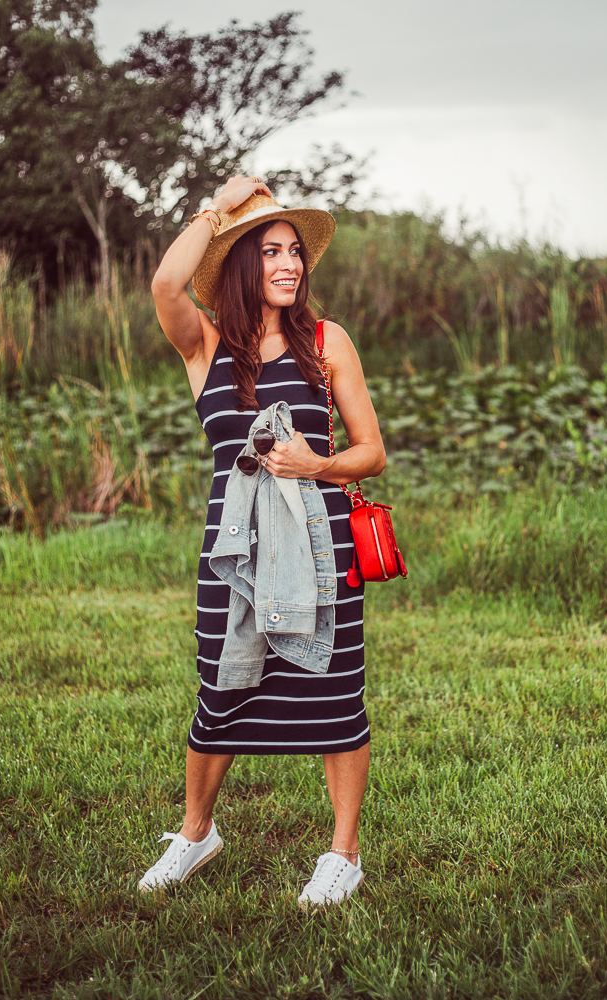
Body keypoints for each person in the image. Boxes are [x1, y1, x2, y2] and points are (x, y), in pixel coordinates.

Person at [141, 175, 385, 907]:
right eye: (271, 252)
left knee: (335, 694)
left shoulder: (325, 339)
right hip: (232, 549)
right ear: (243, 264)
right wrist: (218, 207)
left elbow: (371, 451)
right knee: (220, 689)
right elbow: (164, 280)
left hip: (320, 542)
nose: (288, 265)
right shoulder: (205, 344)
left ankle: (343, 854)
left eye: (295, 254)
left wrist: (320, 463)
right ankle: (196, 833)